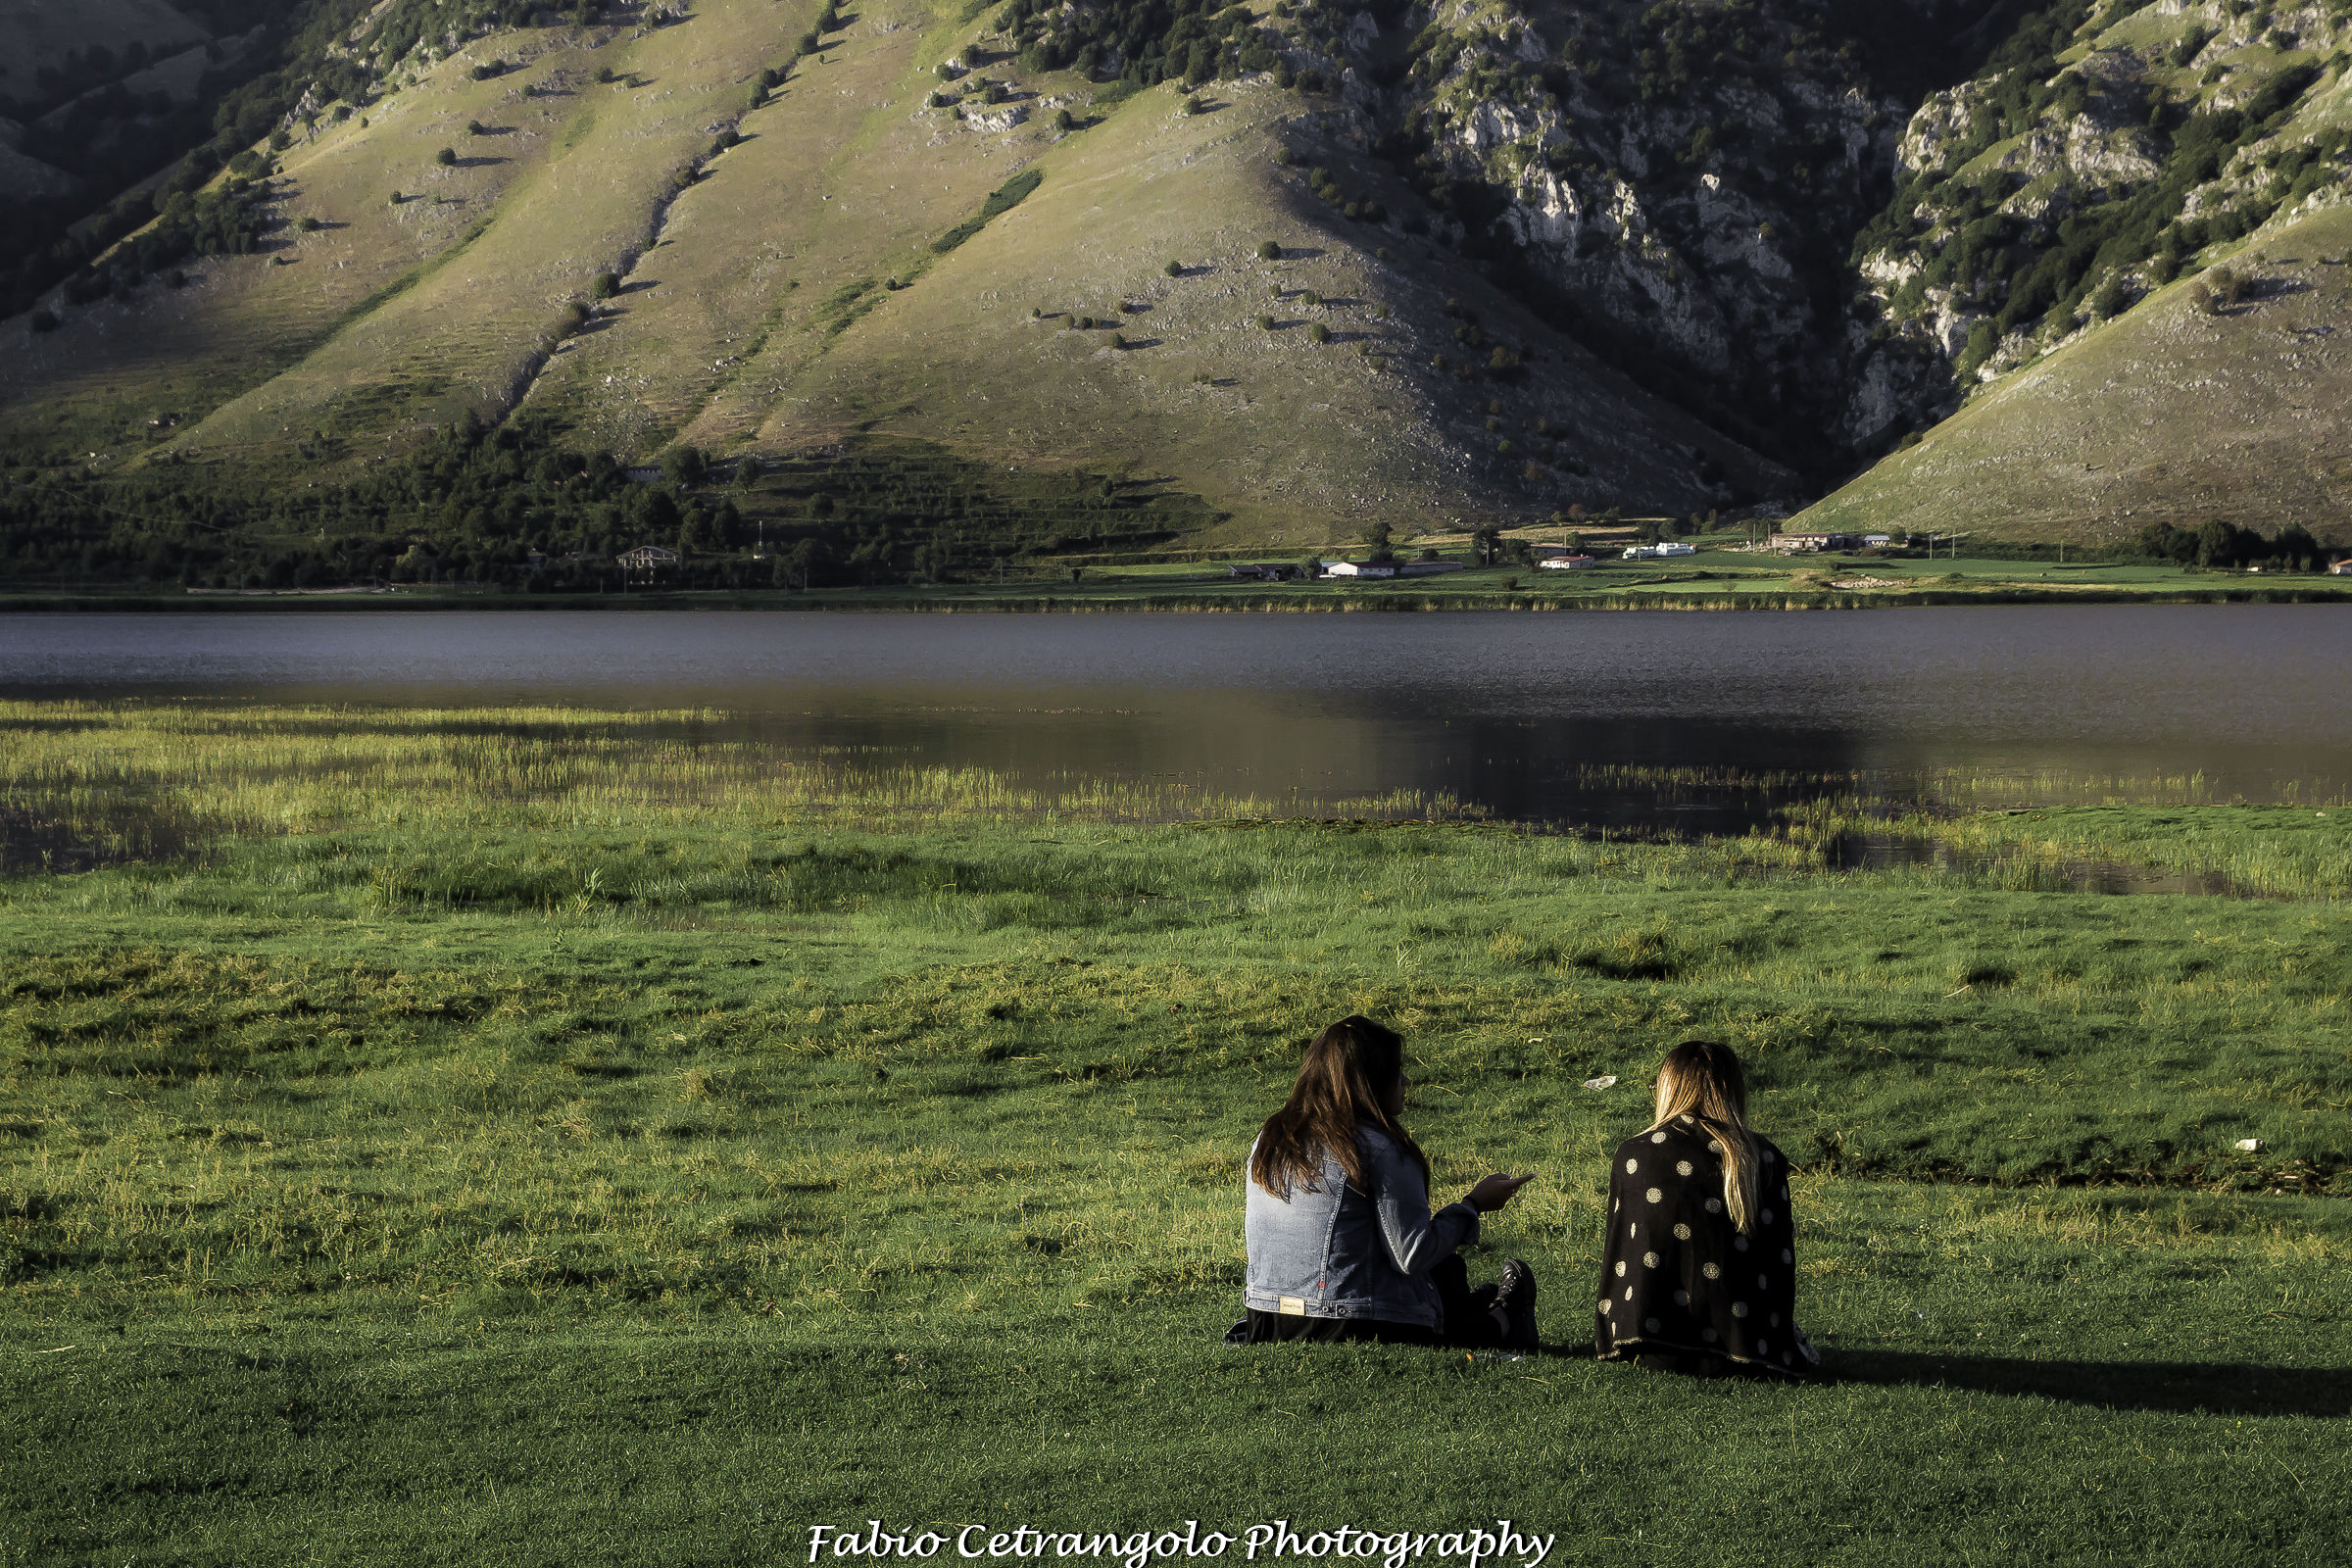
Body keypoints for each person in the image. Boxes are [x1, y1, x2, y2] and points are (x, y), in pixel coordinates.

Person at [1232, 1014, 1539, 1348]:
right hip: (1349, 1322)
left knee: (1446, 1272)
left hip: (1267, 1318)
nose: (1406, 1080)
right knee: (1443, 1275)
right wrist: (1473, 1205)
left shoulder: (1271, 1138)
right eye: (1397, 1070)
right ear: (1371, 1079)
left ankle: (1479, 1302)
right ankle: (1506, 1317)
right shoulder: (1378, 1148)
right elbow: (1412, 1255)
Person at [1593, 1040, 1817, 1378]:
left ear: (1669, 1088)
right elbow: (1777, 1262)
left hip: (1655, 1345)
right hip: (1753, 1351)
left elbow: (1621, 1252)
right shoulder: (1763, 1157)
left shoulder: (1636, 1155)